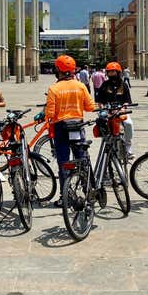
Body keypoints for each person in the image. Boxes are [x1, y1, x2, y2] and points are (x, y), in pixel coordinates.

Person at [46, 55, 95, 207]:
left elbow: (50, 113)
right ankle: (88, 191)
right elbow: (90, 106)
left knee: (63, 162)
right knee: (82, 158)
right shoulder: (80, 86)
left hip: (61, 127)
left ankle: (65, 196)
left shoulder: (54, 88)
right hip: (77, 125)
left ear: (58, 70)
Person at [96, 61, 135, 159]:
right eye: (109, 72)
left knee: (128, 124)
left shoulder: (124, 85)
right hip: (108, 111)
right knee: (104, 128)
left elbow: (127, 101)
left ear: (118, 72)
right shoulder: (104, 85)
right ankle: (106, 150)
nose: (111, 74)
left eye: (113, 72)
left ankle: (128, 149)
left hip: (120, 110)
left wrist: (122, 108)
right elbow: (99, 101)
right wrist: (102, 110)